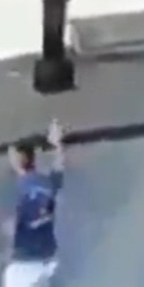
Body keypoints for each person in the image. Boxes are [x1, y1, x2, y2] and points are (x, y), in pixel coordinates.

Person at [4, 119, 66, 287]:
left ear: (18, 160)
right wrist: (57, 143)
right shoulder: (46, 183)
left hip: (26, 261)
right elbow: (58, 170)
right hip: (42, 258)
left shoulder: (25, 186)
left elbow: (21, 222)